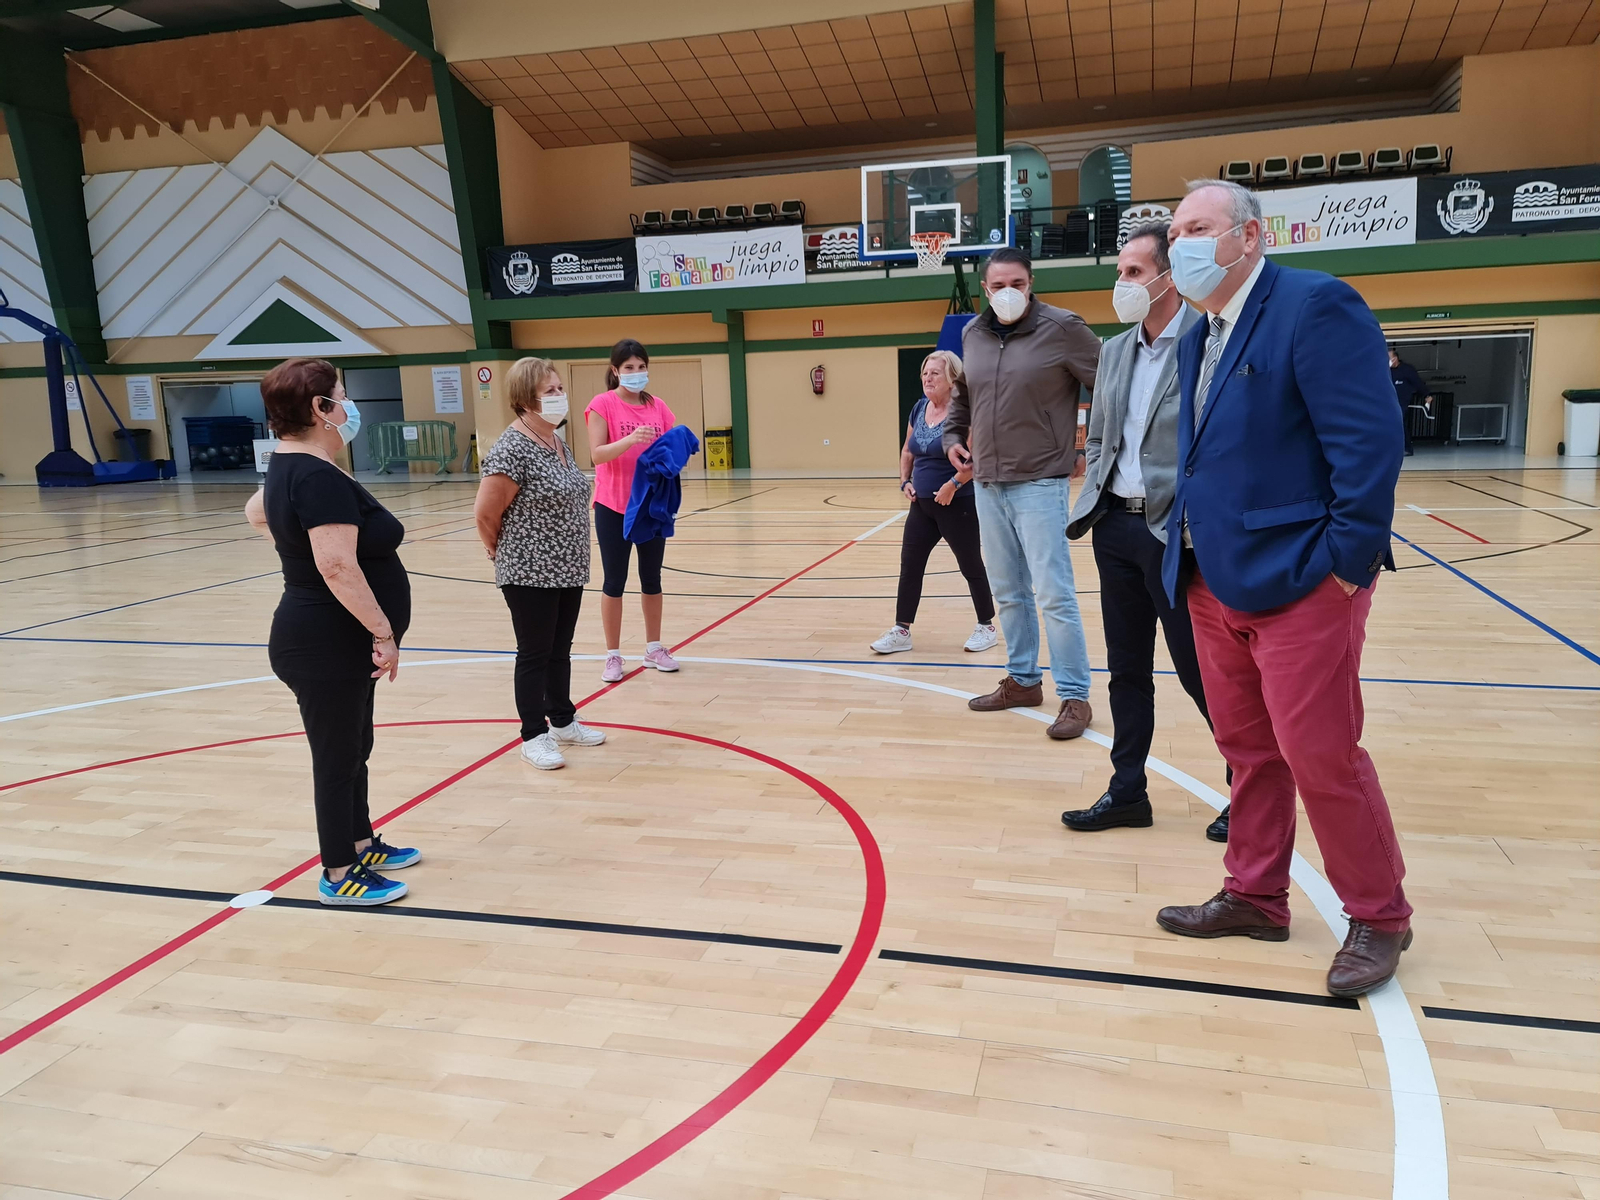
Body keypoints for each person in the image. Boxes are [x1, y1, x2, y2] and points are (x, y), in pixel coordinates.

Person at [1155, 179, 1411, 998]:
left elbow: (1369, 448)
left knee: (1321, 755)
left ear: (1250, 237)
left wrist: (1345, 570)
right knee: (1248, 752)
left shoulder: (1317, 305)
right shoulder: (1202, 331)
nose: (1180, 243)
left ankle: (1378, 915)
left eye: (1197, 227)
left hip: (1303, 579)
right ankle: (1256, 894)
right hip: (1211, 575)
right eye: (1174, 231)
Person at [1063, 221, 1230, 840]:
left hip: (1176, 535)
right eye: (1120, 272)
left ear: (1168, 278)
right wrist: (1095, 500)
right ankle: (1127, 789)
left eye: (1133, 272)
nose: (1122, 283)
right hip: (1115, 527)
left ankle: (1248, 785)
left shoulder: (1209, 342)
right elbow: (1102, 435)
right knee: (1127, 669)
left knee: (1198, 670)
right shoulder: (1112, 351)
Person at [243, 357, 418, 908]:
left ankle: (360, 842)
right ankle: (338, 870)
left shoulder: (297, 465)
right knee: (336, 757)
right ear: (320, 409)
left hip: (329, 639)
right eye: (340, 397)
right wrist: (383, 631)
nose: (348, 407)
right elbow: (337, 567)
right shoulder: (314, 474)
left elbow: (258, 512)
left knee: (353, 747)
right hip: (324, 640)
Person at [944, 246, 1101, 740]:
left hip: (1040, 482)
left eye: (1017, 284)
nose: (1007, 292)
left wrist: (1089, 447)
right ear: (985, 289)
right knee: (1009, 593)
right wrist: (952, 438)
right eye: (998, 285)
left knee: (1053, 593)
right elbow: (962, 397)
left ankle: (1074, 694)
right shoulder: (972, 333)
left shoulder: (1063, 328)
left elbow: (1112, 387)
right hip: (988, 483)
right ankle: (1023, 680)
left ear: (1030, 284)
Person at [475, 357, 608, 771]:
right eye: (549, 391)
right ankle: (533, 734)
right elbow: (485, 512)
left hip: (567, 566)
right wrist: (503, 553)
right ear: (525, 398)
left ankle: (564, 721)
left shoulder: (556, 439)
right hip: (529, 570)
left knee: (559, 650)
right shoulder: (513, 446)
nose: (559, 397)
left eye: (559, 389)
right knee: (534, 652)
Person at [870, 350, 998, 655]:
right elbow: (907, 451)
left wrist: (952, 486)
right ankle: (902, 630)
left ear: (952, 379)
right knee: (910, 566)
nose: (928, 379)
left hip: (958, 503)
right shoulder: (918, 409)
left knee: (971, 565)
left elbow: (976, 460)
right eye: (925, 373)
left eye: (935, 373)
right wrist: (905, 481)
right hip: (922, 507)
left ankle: (987, 626)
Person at [585, 338, 678, 682]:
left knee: (652, 579)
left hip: (651, 506)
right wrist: (630, 440)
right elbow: (596, 454)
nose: (636, 374)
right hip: (613, 505)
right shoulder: (602, 404)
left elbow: (671, 449)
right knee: (614, 580)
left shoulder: (658, 406)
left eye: (641, 367)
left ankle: (654, 648)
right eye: (629, 368)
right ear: (615, 371)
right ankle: (612, 655)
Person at [1389, 345, 1431, 457]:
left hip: (1402, 402)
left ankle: (1407, 448)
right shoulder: (1385, 371)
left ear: (1395, 358)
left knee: (1401, 424)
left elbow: (1418, 383)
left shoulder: (1407, 370)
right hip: (1389, 403)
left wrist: (1426, 395)